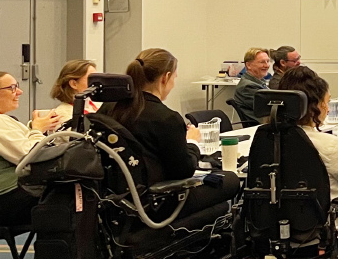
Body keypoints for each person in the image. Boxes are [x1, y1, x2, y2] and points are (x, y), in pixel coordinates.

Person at [102, 49, 239, 214]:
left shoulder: (109, 108)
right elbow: (184, 170)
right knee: (231, 181)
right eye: (174, 78)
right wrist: (192, 141)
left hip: (112, 197)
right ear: (165, 77)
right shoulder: (166, 118)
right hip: (154, 201)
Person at [276, 66, 338, 259]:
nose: (328, 108)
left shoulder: (265, 140)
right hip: (321, 232)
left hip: (274, 230)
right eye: (326, 102)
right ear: (314, 108)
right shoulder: (327, 144)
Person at [0, 72, 60, 228]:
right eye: (12, 88)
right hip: (10, 201)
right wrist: (37, 130)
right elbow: (31, 157)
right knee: (79, 196)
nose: (19, 92)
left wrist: (34, 128)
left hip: (7, 199)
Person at [48, 59, 98, 125]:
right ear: (74, 84)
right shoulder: (62, 114)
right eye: (91, 79)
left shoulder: (97, 104)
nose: (96, 83)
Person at [231, 47, 271, 126]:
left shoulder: (259, 82)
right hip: (262, 128)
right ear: (248, 65)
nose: (267, 65)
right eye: (262, 62)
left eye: (268, 61)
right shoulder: (247, 87)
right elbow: (270, 108)